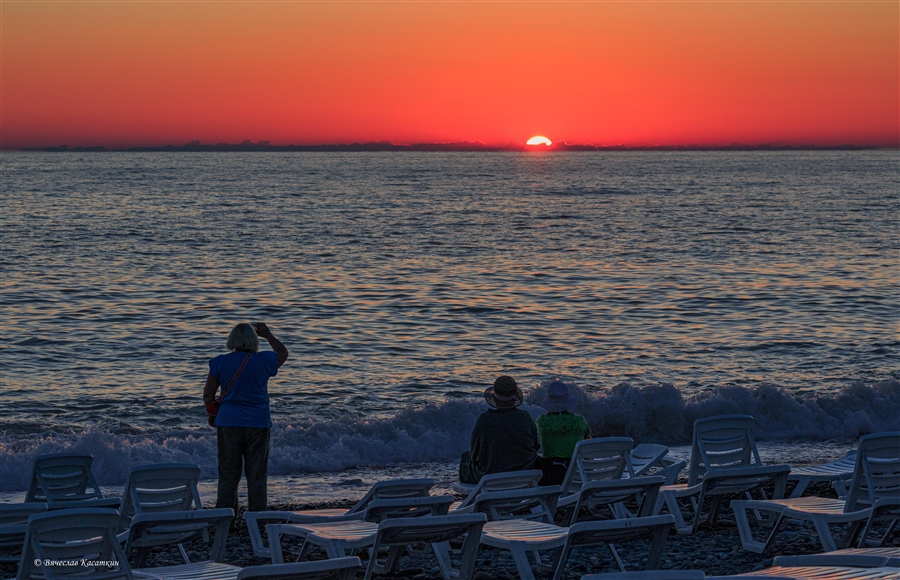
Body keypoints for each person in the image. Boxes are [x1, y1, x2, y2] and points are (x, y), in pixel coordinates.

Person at [203, 322, 288, 515]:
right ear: (254, 340)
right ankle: (257, 519)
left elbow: (208, 394)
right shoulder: (265, 359)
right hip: (258, 423)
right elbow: (283, 353)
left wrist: (212, 415)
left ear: (232, 340)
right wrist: (268, 335)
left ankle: (225, 517)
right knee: (257, 475)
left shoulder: (219, 362)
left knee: (228, 476)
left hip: (228, 422)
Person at [459, 376, 539, 484]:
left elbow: (474, 454)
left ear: (494, 398)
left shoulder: (484, 420)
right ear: (515, 397)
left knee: (466, 457)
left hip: (490, 477)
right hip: (523, 476)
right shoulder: (525, 417)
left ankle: (469, 497)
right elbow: (535, 446)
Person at [534, 378, 591, 485]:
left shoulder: (542, 421)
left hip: (552, 474)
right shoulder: (579, 420)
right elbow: (588, 445)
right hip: (578, 475)